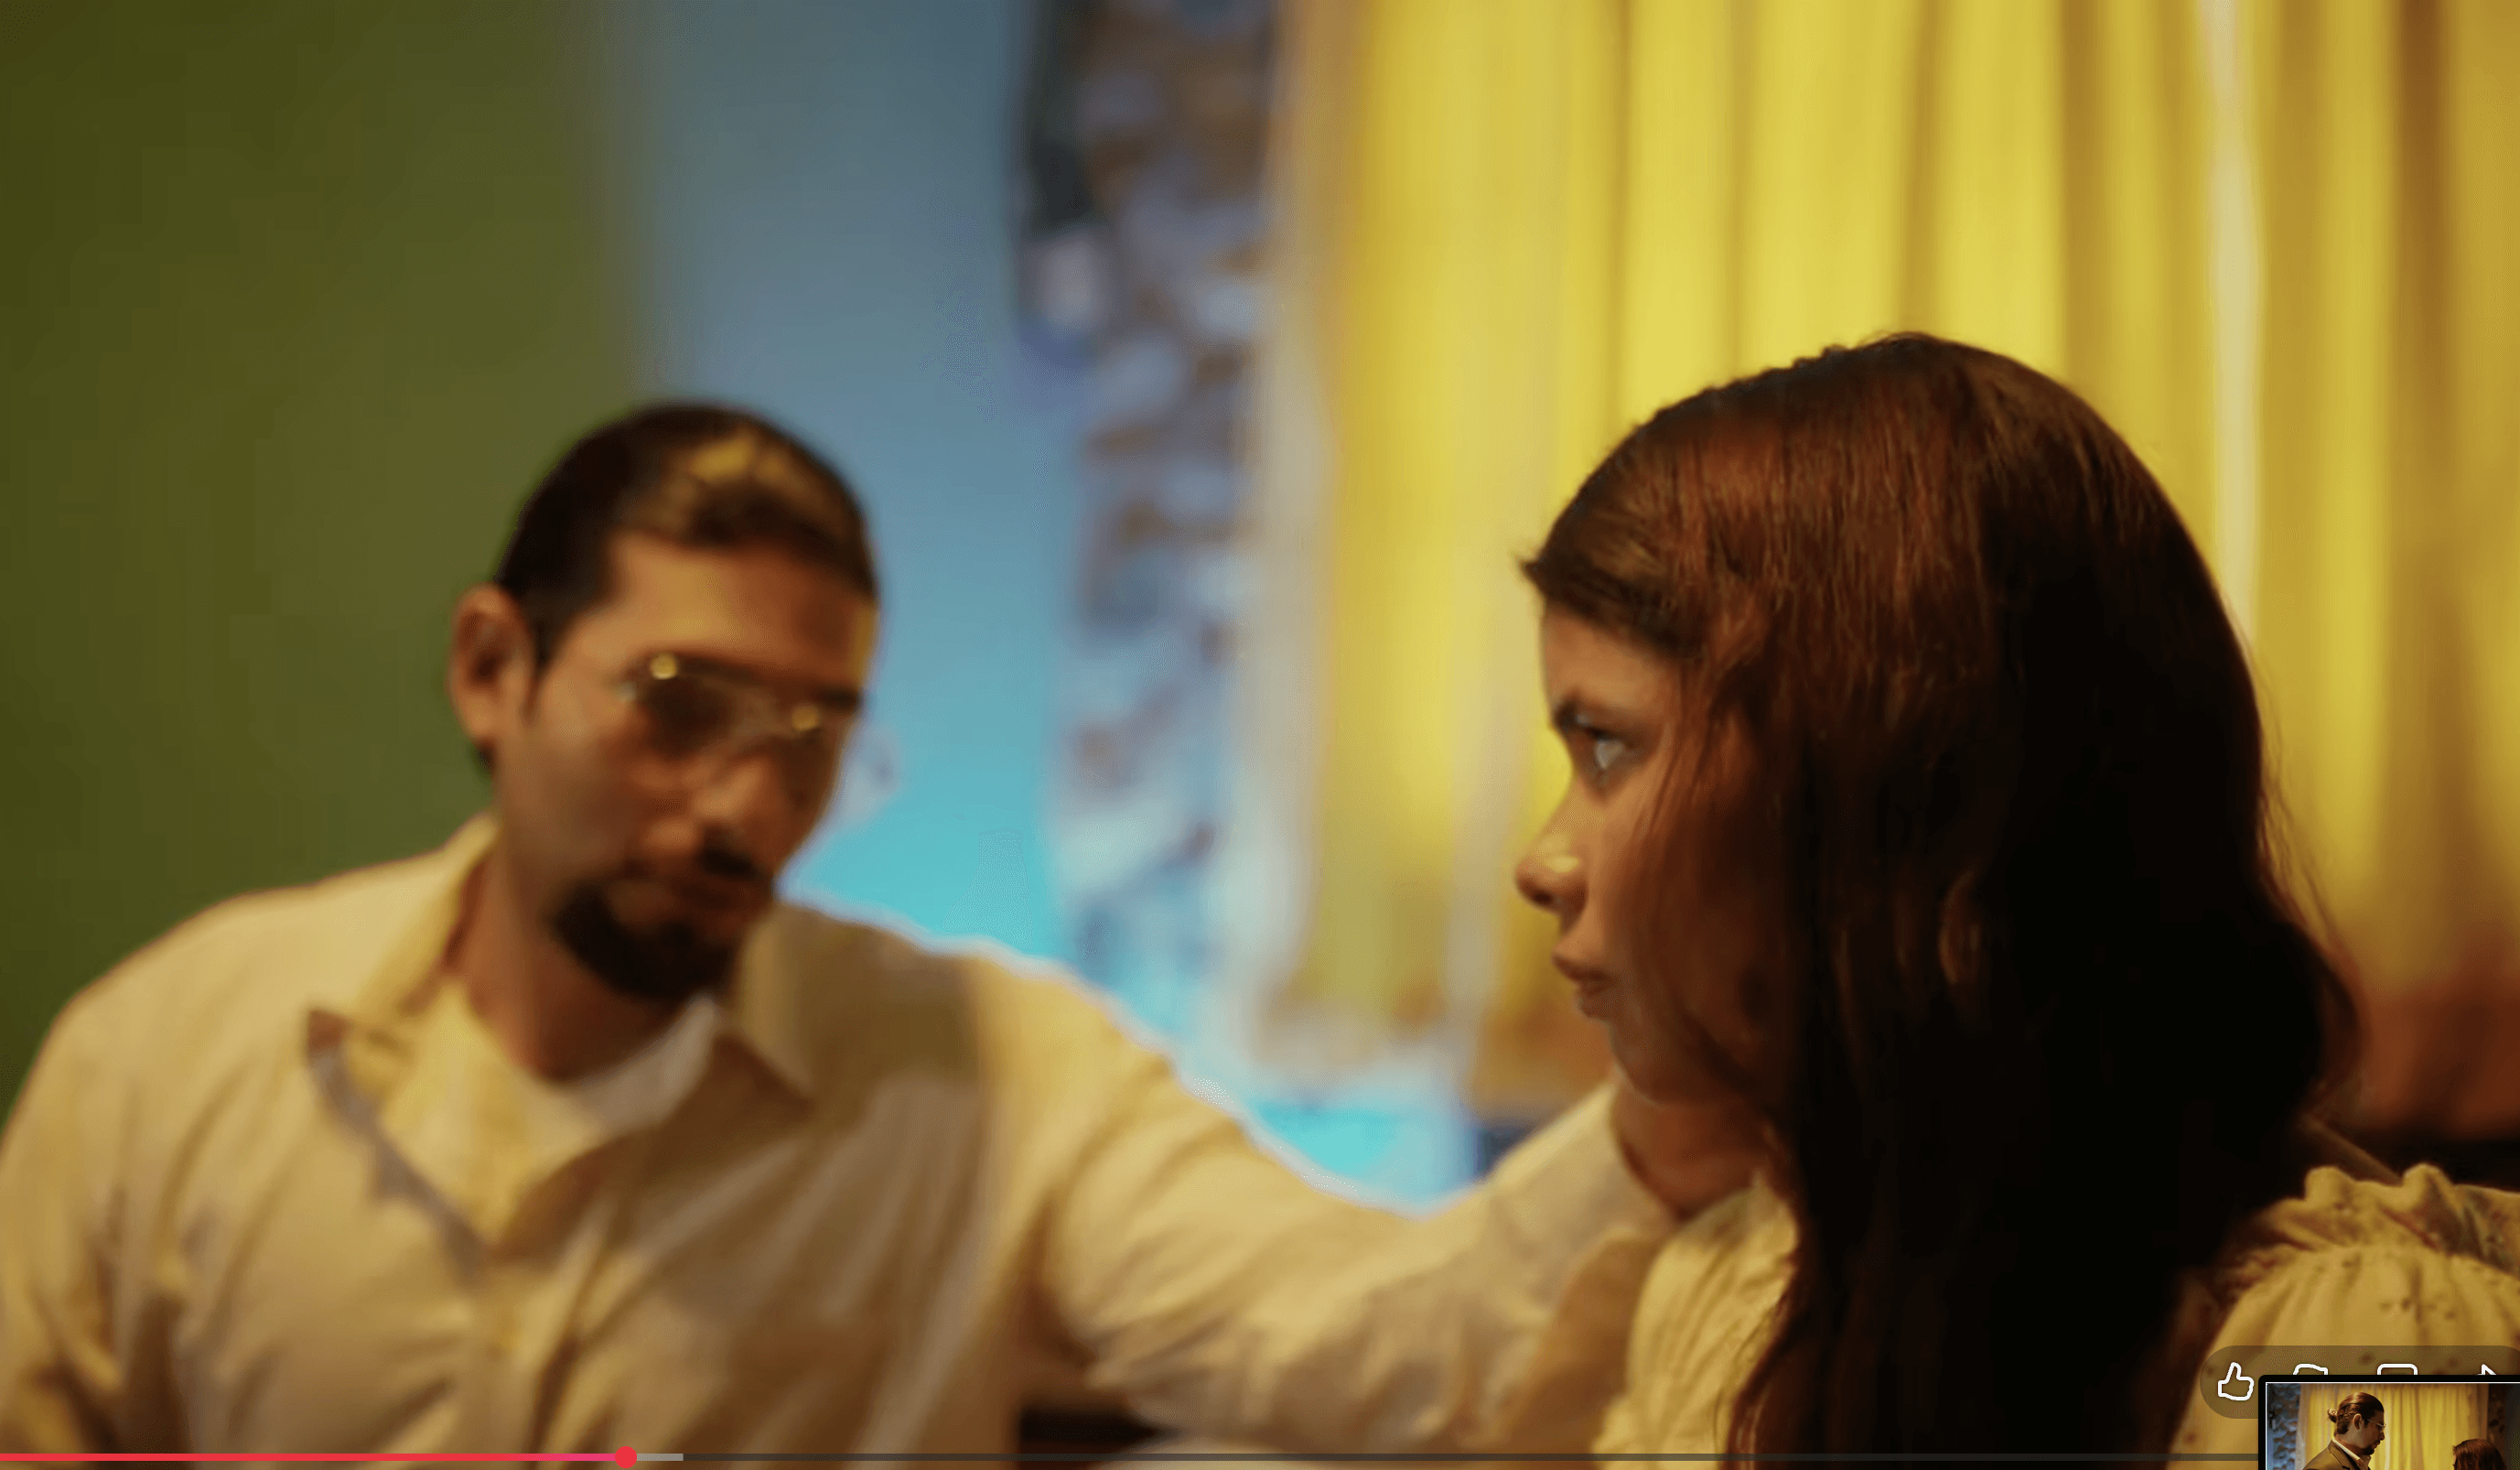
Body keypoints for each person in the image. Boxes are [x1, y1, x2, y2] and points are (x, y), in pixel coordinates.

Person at [0, 404, 1686, 1456]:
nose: (743, 805)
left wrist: (1676, 1114)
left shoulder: (986, 1076)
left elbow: (1366, 1350)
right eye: (678, 706)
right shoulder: (175, 1047)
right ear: (489, 670)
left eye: (807, 737)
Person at [1506, 335, 2520, 1461]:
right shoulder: (1729, 1286)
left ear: (1884, 791)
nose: (1542, 861)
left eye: (1606, 747)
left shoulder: (2369, 1356)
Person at [2305, 1393, 2385, 1470]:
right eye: (2379, 1426)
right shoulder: (2319, 1469)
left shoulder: (2359, 1463)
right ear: (2357, 1422)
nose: (2383, 1437)